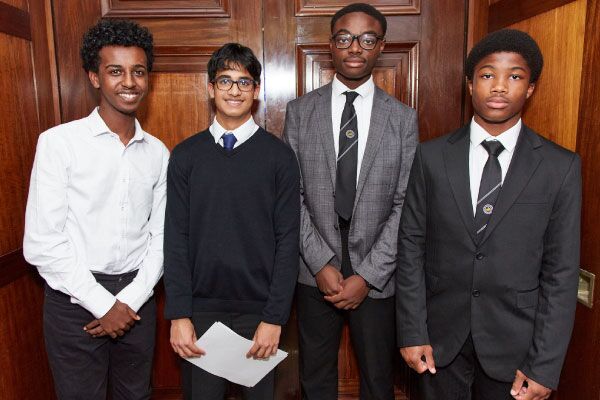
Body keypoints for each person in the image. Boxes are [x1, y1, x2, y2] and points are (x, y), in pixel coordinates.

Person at [396, 29, 581, 400]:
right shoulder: (431, 157)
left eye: (515, 76)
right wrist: (412, 332)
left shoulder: (559, 167)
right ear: (470, 84)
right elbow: (411, 247)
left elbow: (561, 272)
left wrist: (544, 365)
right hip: (439, 341)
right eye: (487, 74)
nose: (499, 86)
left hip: (517, 347)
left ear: (530, 88)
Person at [23, 19, 168, 400]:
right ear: (94, 77)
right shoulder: (59, 143)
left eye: (139, 71)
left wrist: (128, 302)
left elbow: (161, 238)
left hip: (137, 298)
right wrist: (103, 305)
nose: (129, 82)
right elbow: (42, 243)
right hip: (74, 301)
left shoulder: (158, 152)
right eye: (115, 71)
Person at [283, 3, 419, 399]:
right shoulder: (300, 112)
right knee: (315, 378)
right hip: (314, 267)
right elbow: (291, 196)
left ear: (381, 46)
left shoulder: (403, 119)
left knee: (378, 380)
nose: (355, 47)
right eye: (344, 38)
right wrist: (320, 262)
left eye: (366, 39)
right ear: (331, 45)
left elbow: (406, 204)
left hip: (378, 268)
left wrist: (369, 275)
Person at [163, 42, 300, 400]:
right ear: (211, 88)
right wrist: (179, 314)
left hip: (260, 314)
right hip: (199, 313)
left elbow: (288, 242)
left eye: (244, 82)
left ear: (256, 90)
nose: (234, 90)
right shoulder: (185, 156)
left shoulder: (280, 158)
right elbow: (175, 238)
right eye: (225, 81)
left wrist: (275, 318)